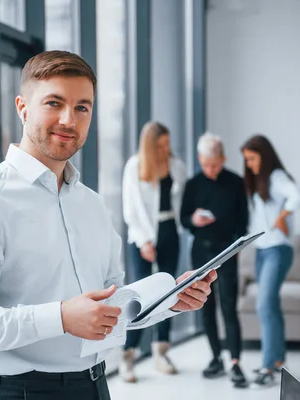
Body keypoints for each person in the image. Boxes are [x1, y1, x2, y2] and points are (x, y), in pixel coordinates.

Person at [0, 50, 216, 400]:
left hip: (96, 386)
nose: (69, 119)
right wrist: (61, 317)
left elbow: (112, 307)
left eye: (82, 107)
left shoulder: (93, 205)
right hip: (22, 393)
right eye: (54, 103)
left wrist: (170, 301)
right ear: (22, 108)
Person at [180, 132, 249, 388]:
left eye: (216, 164)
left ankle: (235, 362)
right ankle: (215, 358)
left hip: (227, 252)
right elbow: (184, 219)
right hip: (201, 252)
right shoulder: (193, 184)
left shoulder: (236, 182)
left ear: (223, 158)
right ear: (200, 159)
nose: (211, 169)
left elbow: (244, 220)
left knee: (229, 307)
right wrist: (194, 220)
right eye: (207, 164)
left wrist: (238, 242)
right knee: (205, 307)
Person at [120, 121, 187, 382]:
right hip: (142, 237)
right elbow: (131, 209)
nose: (166, 149)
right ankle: (129, 354)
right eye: (161, 145)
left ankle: (161, 351)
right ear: (150, 144)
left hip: (170, 229)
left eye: (168, 143)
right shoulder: (134, 166)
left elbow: (183, 200)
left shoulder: (176, 165)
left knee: (169, 291)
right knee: (139, 296)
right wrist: (145, 240)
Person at [240, 134, 300, 388]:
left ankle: (267, 367)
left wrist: (283, 217)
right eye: (246, 160)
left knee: (264, 305)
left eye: (252, 158)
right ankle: (277, 360)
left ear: (264, 156)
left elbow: (298, 196)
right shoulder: (260, 181)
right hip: (262, 250)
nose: (249, 164)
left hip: (278, 250)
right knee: (271, 306)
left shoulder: (277, 177)